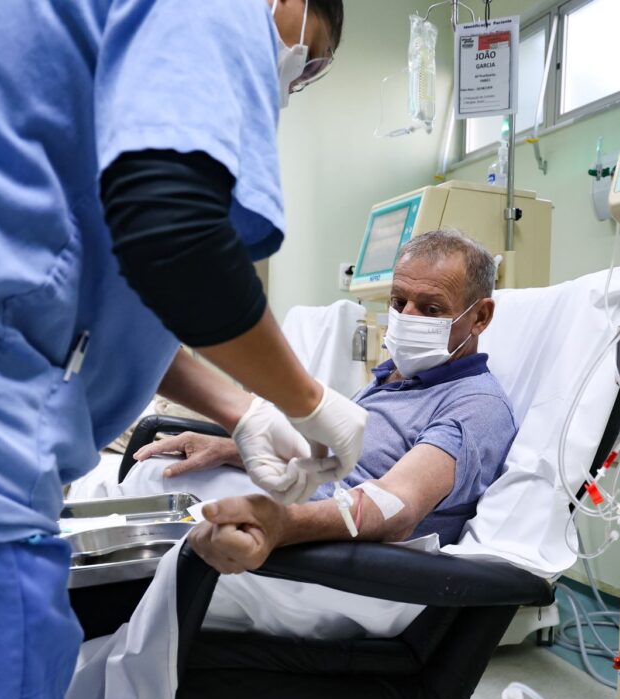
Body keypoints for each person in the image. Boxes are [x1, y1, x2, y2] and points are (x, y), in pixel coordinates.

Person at [0, 1, 364, 699]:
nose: (292, 78)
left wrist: (243, 408)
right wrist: (308, 401)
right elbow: (175, 237)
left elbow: (96, 293)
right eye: (308, 58)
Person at [120, 229, 519, 638]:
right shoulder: (391, 380)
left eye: (431, 309)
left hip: (343, 569)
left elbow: (395, 506)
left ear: (480, 317)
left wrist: (282, 525)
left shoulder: (475, 404)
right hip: (310, 522)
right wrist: (230, 449)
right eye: (399, 302)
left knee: (144, 570)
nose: (407, 317)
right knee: (153, 478)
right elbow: (334, 469)